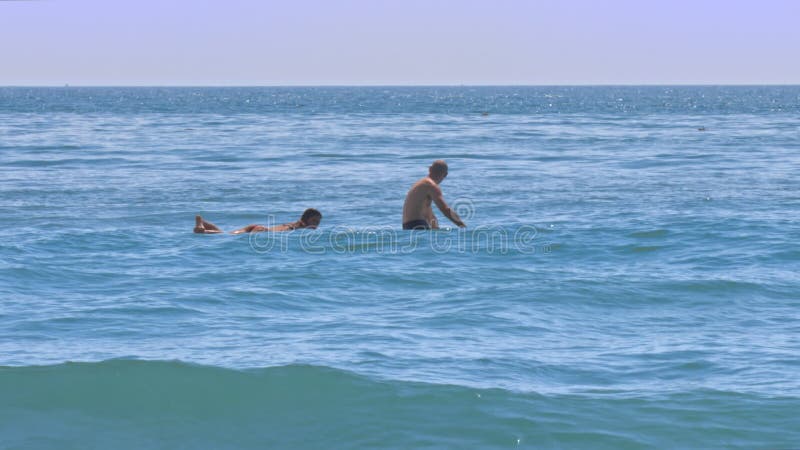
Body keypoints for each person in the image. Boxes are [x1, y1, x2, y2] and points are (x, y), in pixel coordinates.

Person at [402, 160, 466, 230]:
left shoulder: (420, 184)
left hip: (407, 226)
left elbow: (428, 213)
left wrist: (436, 229)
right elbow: (445, 209)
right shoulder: (432, 186)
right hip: (418, 224)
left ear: (429, 169)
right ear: (445, 175)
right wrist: (462, 226)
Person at [193, 208, 322, 234]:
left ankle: (202, 223)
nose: (316, 225)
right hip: (261, 231)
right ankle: (202, 230)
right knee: (223, 237)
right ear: (305, 220)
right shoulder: (301, 228)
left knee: (224, 235)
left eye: (318, 222)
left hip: (256, 227)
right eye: (314, 221)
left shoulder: (295, 224)